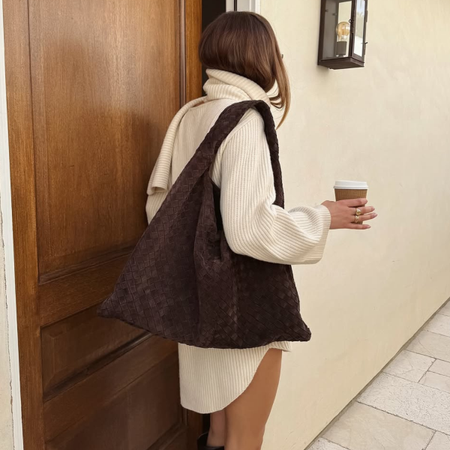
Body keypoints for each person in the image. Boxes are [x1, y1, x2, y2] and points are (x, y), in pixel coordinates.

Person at [145, 11, 377, 450]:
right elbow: (250, 228)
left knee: (218, 432)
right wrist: (324, 215)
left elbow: (159, 204)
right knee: (247, 440)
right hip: (243, 306)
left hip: (198, 302)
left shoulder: (190, 115)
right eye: (278, 54)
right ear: (262, 58)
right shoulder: (245, 120)